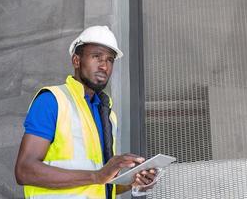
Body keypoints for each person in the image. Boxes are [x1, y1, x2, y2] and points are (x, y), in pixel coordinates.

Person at [15, 26, 156, 199]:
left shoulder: (107, 115)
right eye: (96, 56)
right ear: (76, 60)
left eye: (110, 60)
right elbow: (24, 170)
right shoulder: (52, 100)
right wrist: (97, 176)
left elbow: (100, 182)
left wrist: (131, 181)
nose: (104, 66)